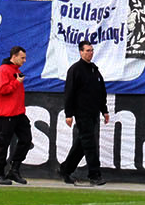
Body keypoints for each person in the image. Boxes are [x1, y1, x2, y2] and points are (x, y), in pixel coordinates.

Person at [59, 41, 110, 186]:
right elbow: (69, 93)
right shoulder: (75, 70)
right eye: (87, 50)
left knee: (82, 144)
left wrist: (104, 110)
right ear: (80, 52)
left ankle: (65, 169)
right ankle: (94, 175)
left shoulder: (94, 70)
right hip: (82, 113)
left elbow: (101, 92)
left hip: (93, 113)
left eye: (92, 50)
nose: (90, 53)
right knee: (90, 144)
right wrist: (69, 114)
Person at [0, 45, 32, 185]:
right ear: (13, 56)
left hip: (18, 113)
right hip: (5, 114)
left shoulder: (16, 70)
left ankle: (14, 169)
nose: (24, 60)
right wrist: (16, 82)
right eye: (22, 58)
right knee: (3, 144)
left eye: (25, 58)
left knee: (26, 139)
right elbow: (1, 89)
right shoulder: (2, 70)